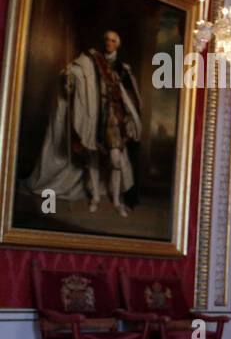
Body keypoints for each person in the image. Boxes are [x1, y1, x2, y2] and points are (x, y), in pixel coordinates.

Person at [25, 30, 143, 216]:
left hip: (114, 118)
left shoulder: (123, 68)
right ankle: (95, 196)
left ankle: (117, 200)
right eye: (106, 40)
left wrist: (129, 115)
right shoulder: (90, 61)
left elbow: (130, 97)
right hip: (94, 116)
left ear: (117, 44)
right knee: (92, 157)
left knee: (116, 159)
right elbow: (75, 77)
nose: (108, 43)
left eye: (112, 41)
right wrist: (69, 75)